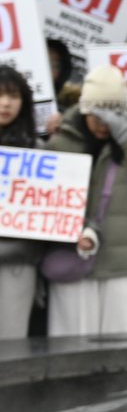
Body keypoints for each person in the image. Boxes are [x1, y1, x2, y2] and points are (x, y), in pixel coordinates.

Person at [44, 65, 127, 336]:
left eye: (113, 114)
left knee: (123, 348)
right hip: (73, 259)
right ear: (84, 110)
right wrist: (75, 232)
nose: (103, 124)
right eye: (97, 115)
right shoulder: (61, 144)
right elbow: (43, 203)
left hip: (125, 266)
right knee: (70, 348)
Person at [0, 66, 40, 340]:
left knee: (11, 344)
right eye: (0, 95)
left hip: (17, 264)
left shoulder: (39, 152)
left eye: (13, 96)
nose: (5, 103)